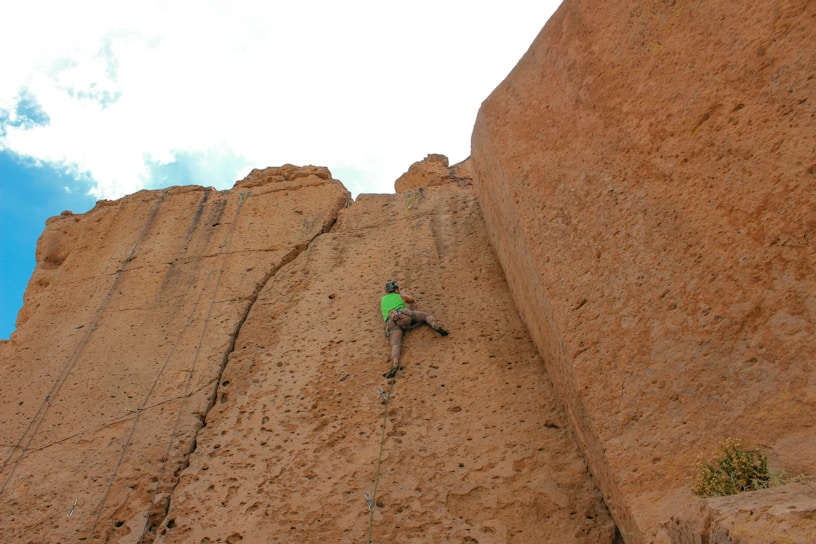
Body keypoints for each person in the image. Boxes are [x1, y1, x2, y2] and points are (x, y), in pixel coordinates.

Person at [380, 280, 448, 378]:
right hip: (402, 315)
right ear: (396, 289)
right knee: (425, 315)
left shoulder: (382, 300)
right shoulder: (400, 296)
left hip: (390, 322)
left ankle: (395, 362)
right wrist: (402, 294)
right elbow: (412, 300)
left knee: (396, 344)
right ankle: (433, 325)